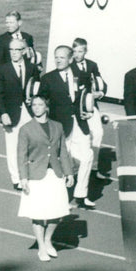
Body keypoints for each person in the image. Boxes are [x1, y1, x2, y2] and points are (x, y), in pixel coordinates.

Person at [17, 95, 75, 262]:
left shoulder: (57, 127)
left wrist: (69, 173)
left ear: (46, 107)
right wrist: (23, 178)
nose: (36, 107)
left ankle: (48, 239)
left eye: (40, 104)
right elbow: (21, 155)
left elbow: (63, 151)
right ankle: (41, 246)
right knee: (38, 212)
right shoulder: (26, 129)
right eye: (34, 105)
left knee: (57, 211)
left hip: (55, 174)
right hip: (35, 175)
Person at [38, 45, 95, 209]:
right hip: (60, 127)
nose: (58, 60)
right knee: (61, 162)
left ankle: (80, 195)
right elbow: (40, 103)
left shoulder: (82, 76)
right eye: (56, 57)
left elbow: (87, 98)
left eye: (62, 57)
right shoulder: (48, 79)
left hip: (79, 124)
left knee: (87, 156)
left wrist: (88, 112)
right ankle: (59, 198)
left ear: (71, 59)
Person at [0, 38, 39, 190]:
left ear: (24, 51)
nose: (13, 53)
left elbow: (36, 89)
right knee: (12, 147)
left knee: (31, 144)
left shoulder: (32, 68)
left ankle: (28, 173)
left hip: (29, 112)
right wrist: (3, 113)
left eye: (17, 50)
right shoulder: (3, 69)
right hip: (11, 114)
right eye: (11, 50)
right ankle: (16, 179)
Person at [71, 38, 107, 179]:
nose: (77, 54)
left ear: (86, 51)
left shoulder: (92, 65)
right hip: (75, 106)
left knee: (97, 133)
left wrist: (101, 93)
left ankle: (94, 166)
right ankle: (75, 166)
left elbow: (101, 83)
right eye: (74, 51)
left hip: (90, 104)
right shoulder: (69, 65)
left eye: (80, 51)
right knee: (76, 136)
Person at [0, 10, 36, 77]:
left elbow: (32, 57)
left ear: (19, 22)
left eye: (11, 23)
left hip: (25, 77)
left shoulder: (28, 38)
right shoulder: (0, 41)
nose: (8, 25)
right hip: (9, 80)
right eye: (7, 23)